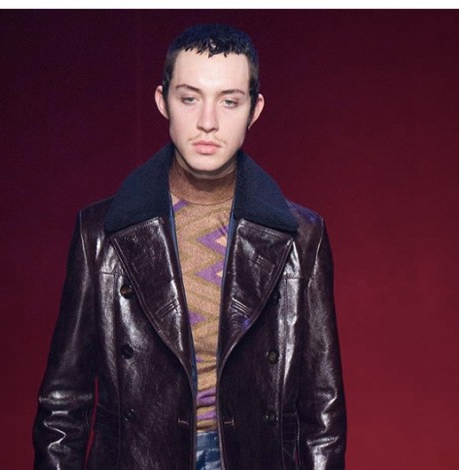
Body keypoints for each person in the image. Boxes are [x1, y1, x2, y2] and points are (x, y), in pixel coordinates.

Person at [33, 23, 346, 470]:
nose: (208, 122)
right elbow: (64, 401)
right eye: (189, 98)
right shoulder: (101, 233)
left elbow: (322, 408)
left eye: (229, 101)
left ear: (254, 110)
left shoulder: (301, 236)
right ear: (162, 101)